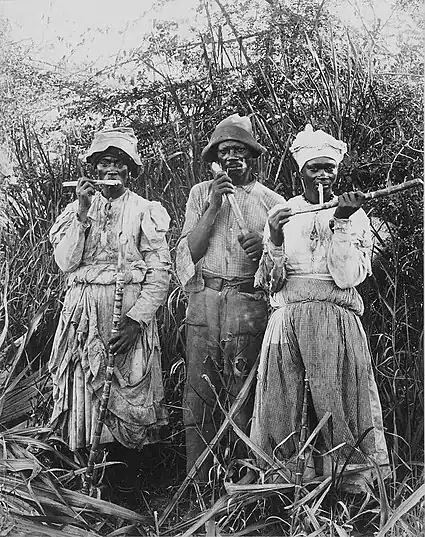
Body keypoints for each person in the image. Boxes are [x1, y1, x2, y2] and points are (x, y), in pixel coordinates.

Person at [250, 124, 389, 493]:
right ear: (301, 172)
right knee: (284, 402)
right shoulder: (284, 213)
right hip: (288, 321)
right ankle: (284, 489)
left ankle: (350, 489)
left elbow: (347, 277)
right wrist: (276, 238)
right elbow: (269, 282)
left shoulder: (356, 215)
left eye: (329, 167)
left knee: (338, 399)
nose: (323, 175)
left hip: (335, 320)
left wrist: (341, 222)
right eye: (314, 168)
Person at [49, 127, 171, 492]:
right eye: (104, 162)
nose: (111, 169)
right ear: (92, 168)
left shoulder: (145, 211)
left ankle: (129, 483)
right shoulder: (76, 211)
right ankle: (87, 479)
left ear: (130, 170)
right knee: (85, 385)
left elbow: (160, 268)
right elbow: (65, 263)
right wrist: (84, 212)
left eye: (119, 162)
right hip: (84, 312)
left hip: (127, 313)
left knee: (128, 388)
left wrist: (138, 320)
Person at [176, 114, 285, 484]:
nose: (232, 158)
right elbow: (189, 253)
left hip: (247, 301)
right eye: (225, 152)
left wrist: (262, 250)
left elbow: (278, 274)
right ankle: (199, 481)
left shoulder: (272, 202)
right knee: (200, 390)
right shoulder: (199, 194)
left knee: (245, 386)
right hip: (205, 298)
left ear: (251, 157)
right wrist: (213, 205)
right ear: (215, 159)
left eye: (240, 151)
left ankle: (244, 483)